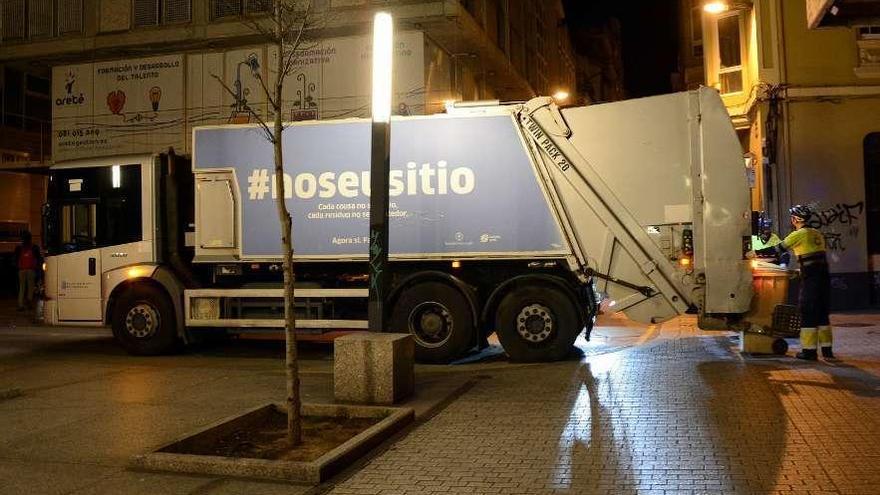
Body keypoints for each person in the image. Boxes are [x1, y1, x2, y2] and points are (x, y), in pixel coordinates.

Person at [758, 205, 832, 360]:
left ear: (796, 219)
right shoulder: (817, 233)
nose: (791, 220)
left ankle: (809, 351)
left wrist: (755, 253)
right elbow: (813, 256)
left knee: (807, 312)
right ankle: (827, 351)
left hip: (810, 278)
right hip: (823, 277)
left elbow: (778, 249)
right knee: (822, 313)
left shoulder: (799, 234)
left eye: (792, 217)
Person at [13, 231, 42, 312]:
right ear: (30, 238)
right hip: (31, 270)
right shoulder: (34, 247)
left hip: (21, 270)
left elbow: (15, 259)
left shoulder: (19, 248)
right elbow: (38, 258)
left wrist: (17, 268)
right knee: (30, 287)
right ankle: (29, 302)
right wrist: (38, 269)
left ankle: (20, 304)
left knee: (21, 287)